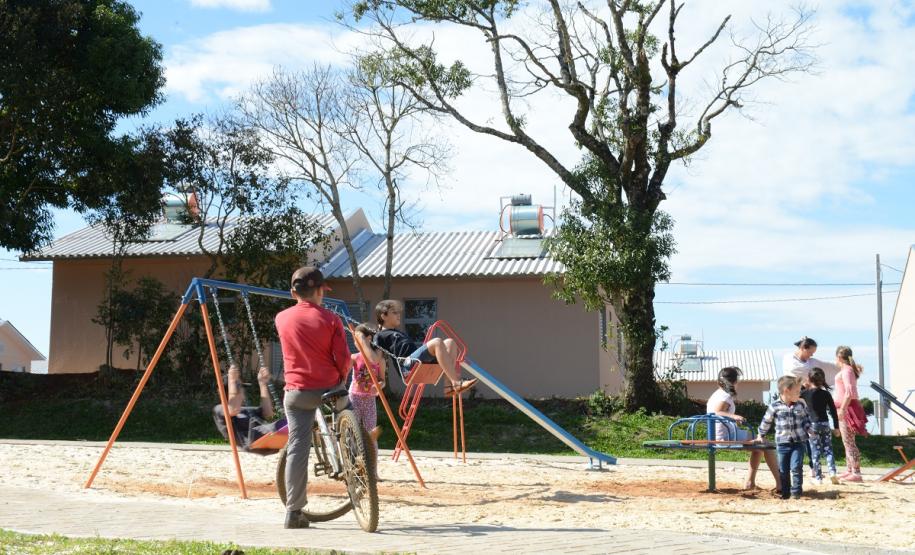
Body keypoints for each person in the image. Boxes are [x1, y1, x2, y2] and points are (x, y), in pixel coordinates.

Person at [276, 266, 351, 529]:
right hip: (329, 388)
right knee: (349, 416)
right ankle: (356, 461)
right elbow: (342, 357)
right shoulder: (331, 319)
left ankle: (293, 512)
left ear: (292, 293)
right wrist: (342, 378)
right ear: (320, 291)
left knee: (297, 448)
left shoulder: (281, 318)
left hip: (296, 392)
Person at [373, 299, 477, 396]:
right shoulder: (379, 335)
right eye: (394, 312)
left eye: (398, 312)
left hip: (418, 362)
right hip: (407, 367)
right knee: (437, 342)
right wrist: (379, 379)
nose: (399, 315)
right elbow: (376, 358)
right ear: (383, 316)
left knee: (450, 342)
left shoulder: (398, 332)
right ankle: (456, 382)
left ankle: (448, 386)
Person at [706, 367, 780, 491]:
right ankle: (780, 483)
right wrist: (734, 416)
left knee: (758, 446)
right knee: (765, 444)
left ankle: (750, 483)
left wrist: (731, 418)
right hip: (725, 436)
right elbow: (717, 412)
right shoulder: (725, 396)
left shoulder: (717, 394)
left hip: (717, 434)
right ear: (735, 382)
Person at [757, 375, 815, 500]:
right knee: (783, 469)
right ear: (787, 391)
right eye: (797, 391)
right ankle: (785, 492)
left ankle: (796, 492)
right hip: (782, 443)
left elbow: (806, 419)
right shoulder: (774, 406)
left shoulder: (800, 405)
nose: (799, 394)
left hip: (799, 442)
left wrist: (810, 429)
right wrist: (761, 434)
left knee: (796, 467)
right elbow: (766, 421)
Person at [212, 364, 283, 454]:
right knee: (284, 425)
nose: (243, 391)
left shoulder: (244, 410)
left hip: (264, 437)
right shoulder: (219, 409)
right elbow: (233, 410)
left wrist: (263, 384)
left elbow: (268, 413)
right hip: (251, 441)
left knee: (289, 424)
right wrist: (232, 381)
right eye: (240, 387)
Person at [349, 324, 385, 465]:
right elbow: (344, 370)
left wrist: (379, 385)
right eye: (354, 339)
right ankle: (353, 463)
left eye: (357, 339)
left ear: (368, 339)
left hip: (370, 399)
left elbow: (382, 380)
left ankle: (372, 468)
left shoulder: (379, 360)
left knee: (371, 434)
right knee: (353, 431)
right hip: (354, 397)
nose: (355, 342)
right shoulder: (354, 357)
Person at [800, 367, 841, 485]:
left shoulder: (805, 393)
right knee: (828, 449)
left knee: (815, 451)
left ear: (809, 379)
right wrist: (836, 427)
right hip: (825, 424)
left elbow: (795, 395)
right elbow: (833, 410)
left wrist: (803, 386)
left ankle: (818, 478)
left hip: (812, 426)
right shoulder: (826, 393)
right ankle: (832, 472)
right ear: (822, 379)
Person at [834, 346, 867, 482]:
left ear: (839, 357)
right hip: (846, 406)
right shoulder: (847, 370)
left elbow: (849, 392)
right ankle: (850, 470)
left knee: (849, 441)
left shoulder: (847, 371)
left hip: (848, 408)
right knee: (847, 441)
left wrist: (842, 409)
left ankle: (856, 473)